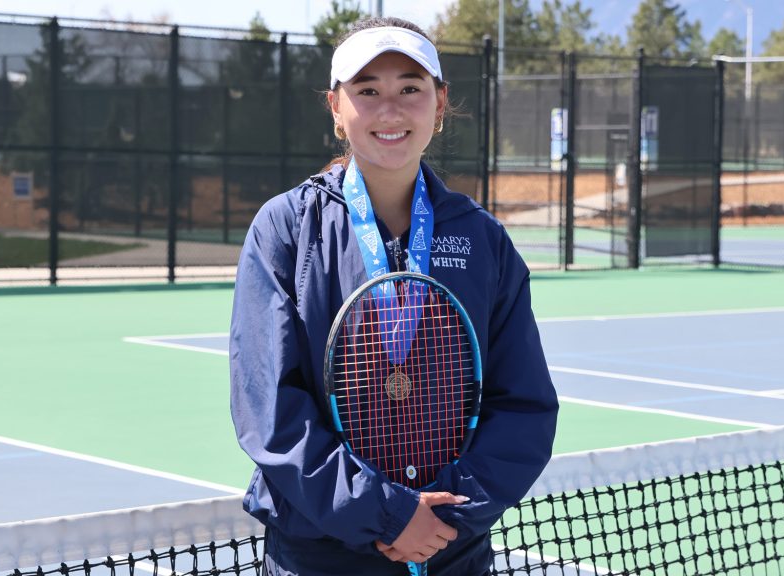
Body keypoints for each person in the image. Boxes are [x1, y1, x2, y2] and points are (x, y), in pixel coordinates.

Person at [230, 17, 558, 576]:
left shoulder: (484, 240)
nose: (390, 110)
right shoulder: (284, 228)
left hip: (452, 551)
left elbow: (523, 405)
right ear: (336, 108)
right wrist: (387, 515)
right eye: (367, 91)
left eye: (410, 88)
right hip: (320, 558)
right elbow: (271, 412)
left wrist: (446, 517)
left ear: (439, 101)